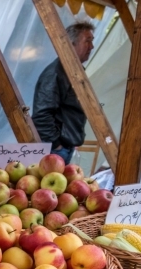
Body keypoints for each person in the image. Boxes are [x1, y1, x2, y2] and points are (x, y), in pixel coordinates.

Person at [32, 22, 96, 165]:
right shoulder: (55, 73)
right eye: (88, 41)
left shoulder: (72, 71)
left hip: (65, 146)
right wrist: (56, 145)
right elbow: (41, 115)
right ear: (71, 44)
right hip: (56, 149)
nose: (92, 47)